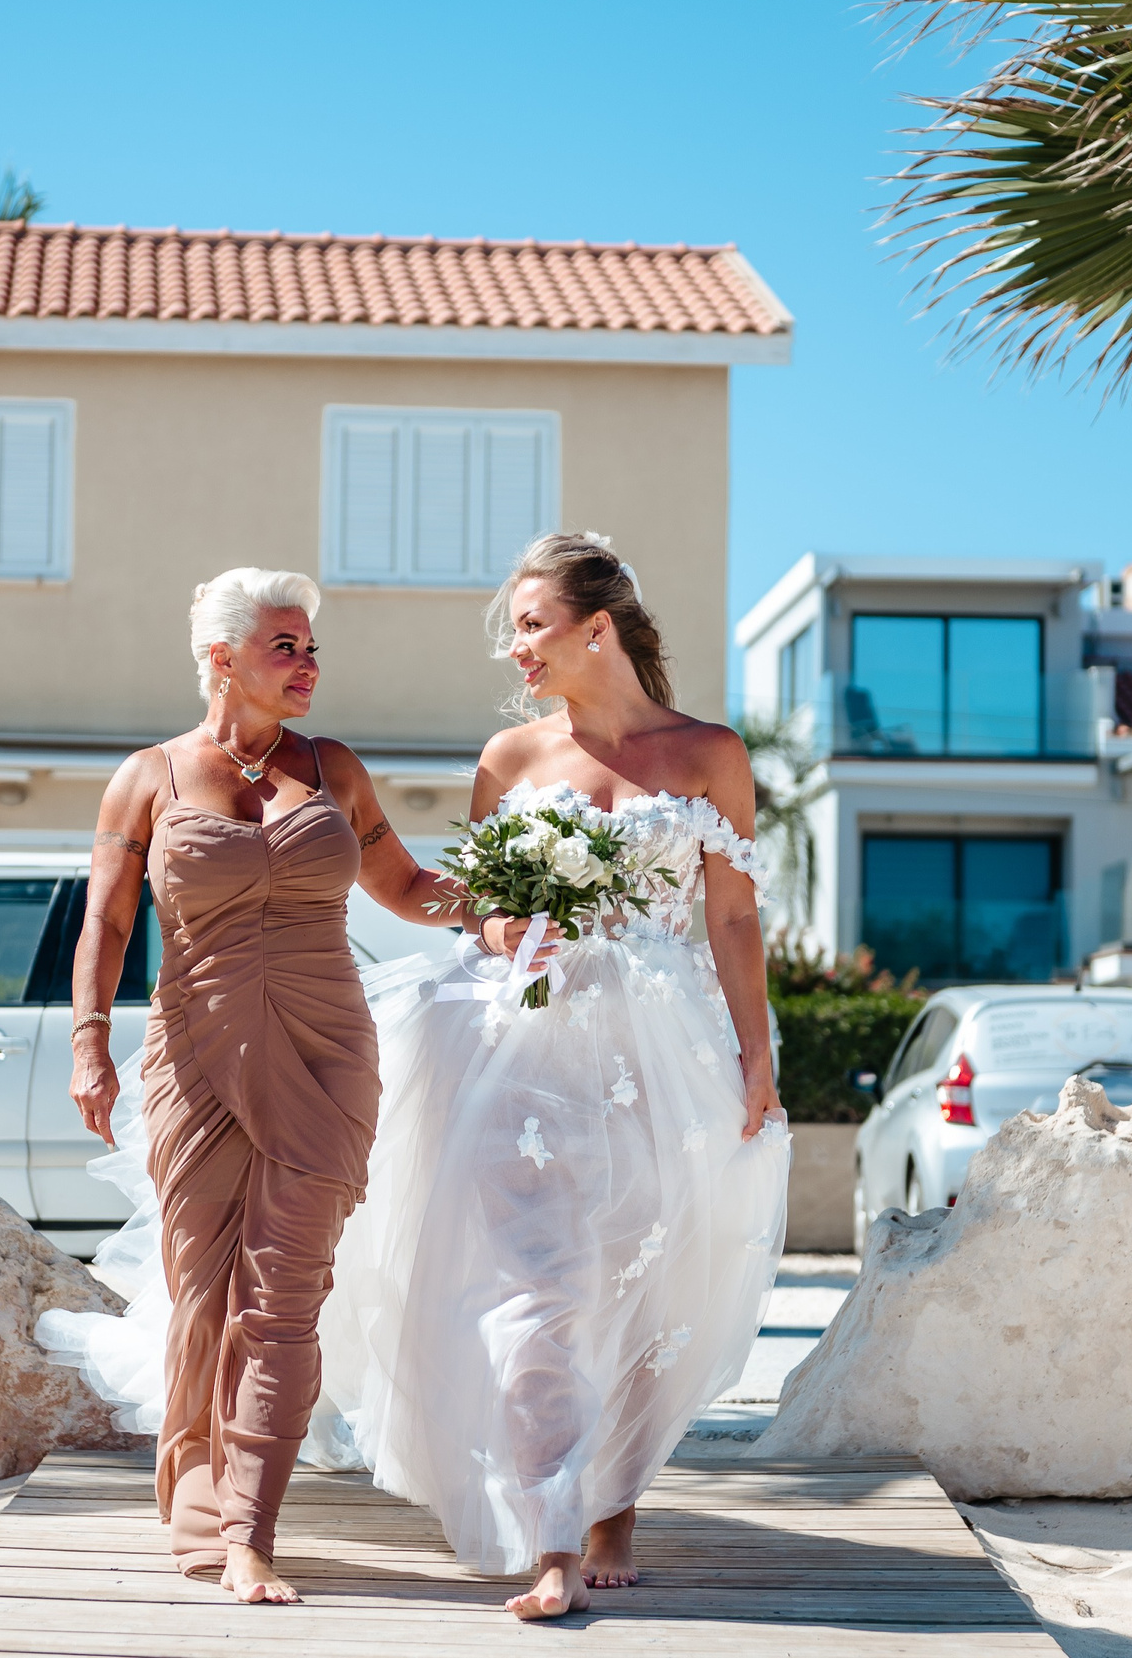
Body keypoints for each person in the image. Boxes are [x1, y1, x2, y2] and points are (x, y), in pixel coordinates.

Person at [315, 531, 789, 1620]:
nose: (514, 646)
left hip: (663, 1049)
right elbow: (479, 910)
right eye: (511, 628)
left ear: (596, 627)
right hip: (520, 1043)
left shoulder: (709, 751)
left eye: (529, 624)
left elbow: (730, 911)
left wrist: (755, 1056)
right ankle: (550, 1537)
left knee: (645, 1274)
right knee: (536, 1290)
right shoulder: (510, 758)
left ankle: (615, 1499)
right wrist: (501, 924)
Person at [36, 567, 464, 1606]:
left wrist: (521, 901)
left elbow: (406, 886)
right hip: (194, 1056)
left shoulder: (335, 769)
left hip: (326, 1052)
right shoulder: (149, 778)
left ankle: (248, 1532)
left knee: (282, 1298)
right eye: (287, 645)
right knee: (202, 1293)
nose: (308, 664)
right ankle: (194, 1489)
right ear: (222, 656)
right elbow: (106, 922)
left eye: (313, 646)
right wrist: (89, 1041)